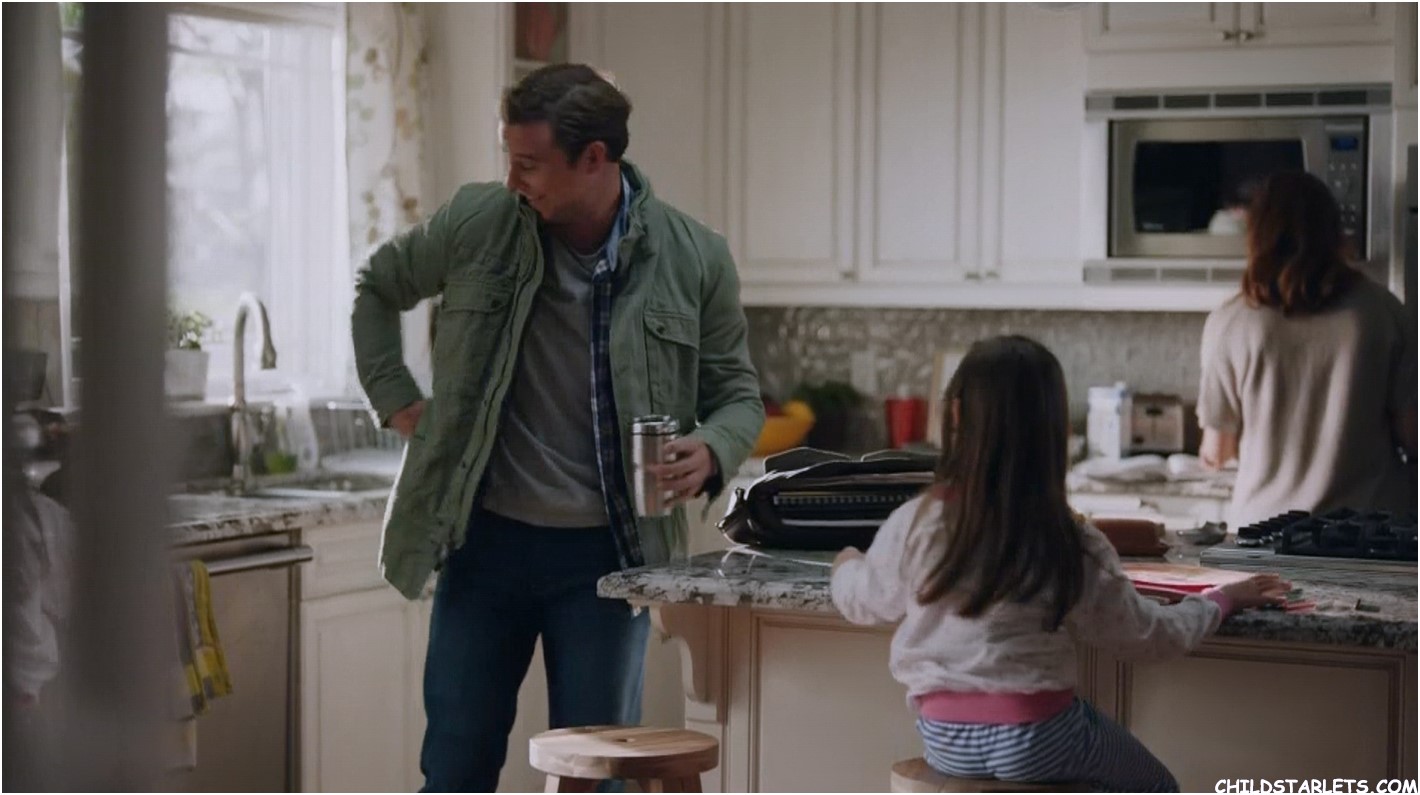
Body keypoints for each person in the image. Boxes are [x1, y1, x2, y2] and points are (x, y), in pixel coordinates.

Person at [351, 64, 764, 791]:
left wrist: (712, 448)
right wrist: (396, 398)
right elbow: (377, 286)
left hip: (608, 558)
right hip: (484, 545)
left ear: (594, 158)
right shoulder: (479, 222)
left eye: (530, 163)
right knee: (454, 769)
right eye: (509, 158)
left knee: (595, 773)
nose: (513, 180)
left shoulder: (694, 255)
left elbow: (738, 397)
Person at [829, 335, 1289, 792]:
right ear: (1055, 431)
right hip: (1039, 738)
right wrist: (1220, 600)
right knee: (1158, 786)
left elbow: (864, 600)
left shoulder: (917, 521)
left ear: (954, 417)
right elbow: (1147, 637)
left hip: (944, 741)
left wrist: (845, 566)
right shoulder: (1066, 538)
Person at [1197, 171, 1417, 528]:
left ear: (1257, 235)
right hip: (1368, 534)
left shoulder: (1230, 323)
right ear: (1334, 232)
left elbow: (1218, 450)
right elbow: (1414, 435)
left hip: (1264, 532)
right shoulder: (1384, 312)